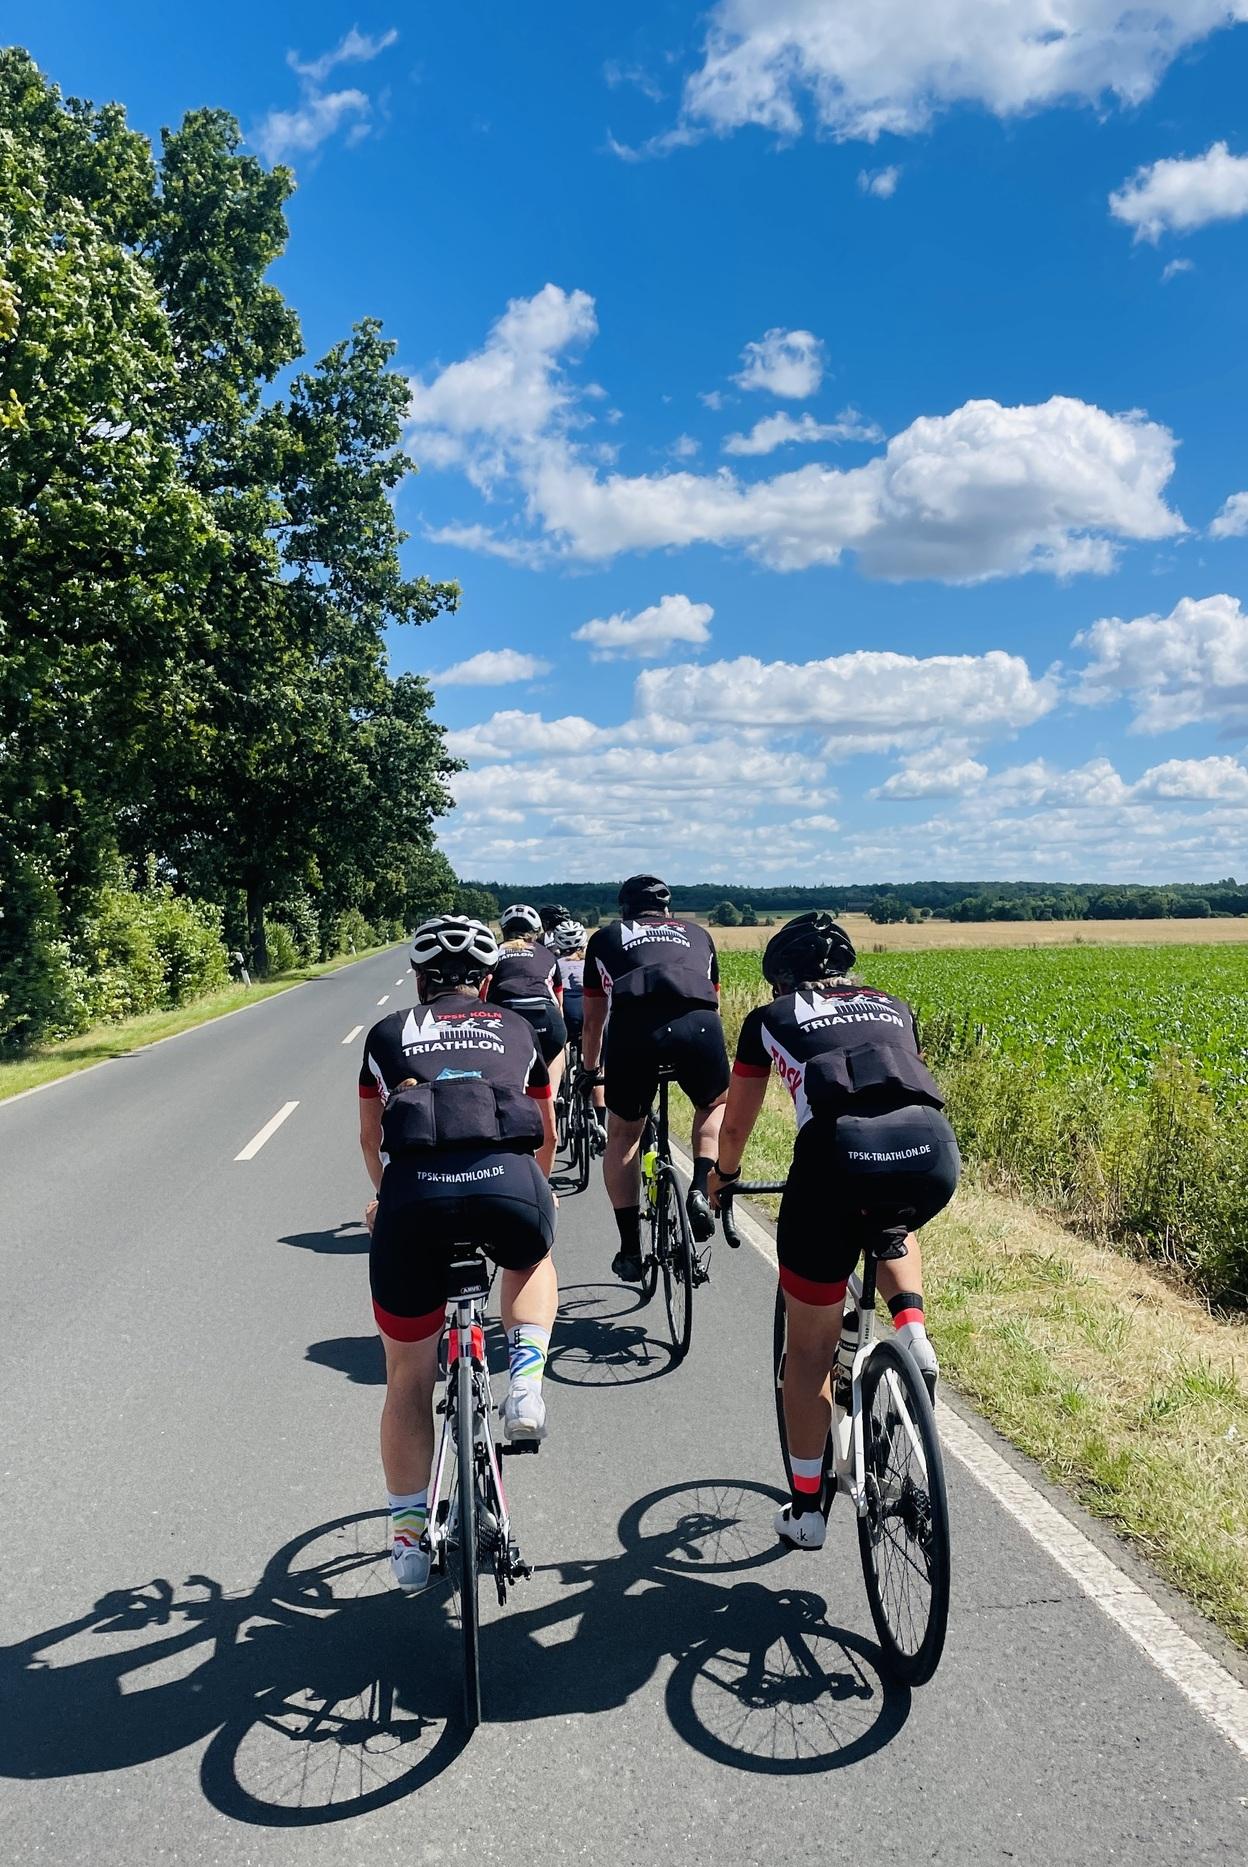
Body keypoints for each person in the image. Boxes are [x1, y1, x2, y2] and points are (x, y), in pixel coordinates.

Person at [708, 912, 960, 1553]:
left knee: (809, 1358)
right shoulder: (893, 1006)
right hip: (929, 1152)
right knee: (892, 1219)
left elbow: (734, 1125)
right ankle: (914, 1333)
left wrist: (722, 1177)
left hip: (834, 1163)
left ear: (783, 976)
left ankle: (807, 1510)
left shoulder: (771, 1019)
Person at [358, 914, 559, 1592]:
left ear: (418, 979)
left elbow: (370, 1139)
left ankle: (410, 1542)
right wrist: (535, 1194)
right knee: (532, 1256)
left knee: (408, 1377)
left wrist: (386, 1198)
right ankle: (525, 1383)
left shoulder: (387, 1034)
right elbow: (544, 1133)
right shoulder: (519, 1029)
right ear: (485, 981)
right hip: (507, 1189)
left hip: (414, 1204)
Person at [579, 875, 730, 1280]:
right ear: (667, 910)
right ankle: (699, 1184)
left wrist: (590, 1071)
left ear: (624, 909)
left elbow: (593, 1022)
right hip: (698, 1027)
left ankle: (630, 1248)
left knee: (625, 1134)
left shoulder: (606, 938)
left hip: (634, 1033)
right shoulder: (698, 934)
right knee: (713, 1105)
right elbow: (712, 999)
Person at [487, 903, 569, 1105]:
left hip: (507, 1017)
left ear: (504, 931)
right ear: (535, 932)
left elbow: (482, 998)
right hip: (546, 1016)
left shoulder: (494, 955)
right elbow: (558, 1003)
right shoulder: (547, 955)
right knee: (556, 1052)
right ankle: (549, 1101)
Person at [552, 918, 607, 1149]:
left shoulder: (555, 964)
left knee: (561, 1051)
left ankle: (561, 1092)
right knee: (595, 1070)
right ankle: (601, 1125)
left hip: (569, 1014)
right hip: (593, 1014)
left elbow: (555, 997)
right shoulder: (592, 964)